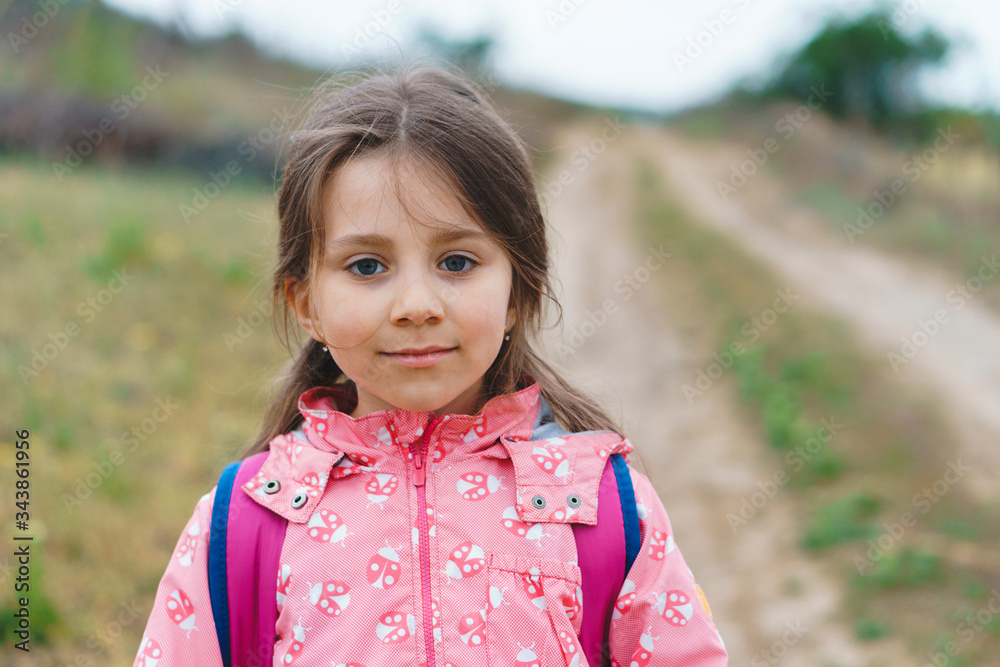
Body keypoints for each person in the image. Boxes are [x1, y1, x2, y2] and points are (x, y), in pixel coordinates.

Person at [133, 60, 727, 667]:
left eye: (457, 263)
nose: (416, 306)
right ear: (305, 301)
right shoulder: (244, 524)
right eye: (367, 266)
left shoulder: (603, 510)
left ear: (518, 291)